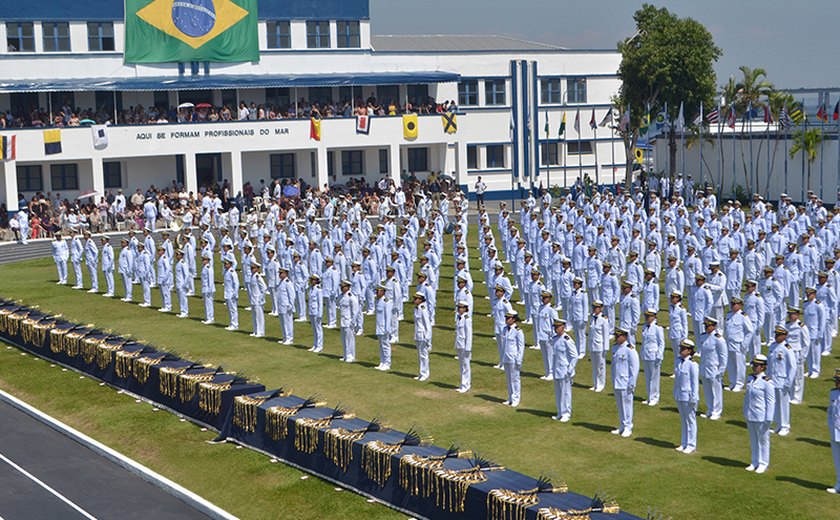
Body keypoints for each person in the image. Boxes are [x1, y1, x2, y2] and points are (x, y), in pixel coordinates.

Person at [743, 354, 775, 474]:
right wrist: (745, 411)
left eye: (757, 365)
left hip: (761, 415)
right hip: (751, 413)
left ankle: (763, 463)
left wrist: (769, 418)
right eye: (754, 365)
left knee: (763, 440)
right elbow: (747, 397)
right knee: (753, 439)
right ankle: (754, 461)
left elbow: (771, 401)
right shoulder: (750, 378)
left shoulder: (767, 382)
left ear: (763, 367)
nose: (754, 367)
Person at [767, 326, 796, 436]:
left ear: (784, 336)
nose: (776, 337)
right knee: (774, 403)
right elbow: (770, 364)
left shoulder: (787, 348)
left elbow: (792, 366)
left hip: (782, 380)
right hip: (772, 379)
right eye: (776, 335)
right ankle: (778, 424)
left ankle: (785, 426)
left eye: (779, 335)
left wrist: (788, 382)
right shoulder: (772, 346)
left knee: (783, 404)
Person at [611, 327, 640, 437]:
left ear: (624, 336)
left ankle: (628, 426)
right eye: (616, 336)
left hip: (626, 382)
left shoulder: (630, 349)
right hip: (617, 380)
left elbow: (634, 368)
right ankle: (622, 425)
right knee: (620, 405)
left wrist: (632, 383)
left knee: (627, 405)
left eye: (619, 336)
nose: (617, 338)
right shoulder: (615, 348)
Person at [674, 340, 700, 454]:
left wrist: (694, 398)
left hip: (688, 396)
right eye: (681, 348)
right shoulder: (678, 362)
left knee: (690, 420)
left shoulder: (692, 364)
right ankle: (684, 442)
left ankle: (691, 444)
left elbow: (694, 383)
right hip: (680, 394)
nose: (681, 351)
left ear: (689, 351)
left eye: (683, 349)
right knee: (683, 420)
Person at [698, 317, 726, 420]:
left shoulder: (718, 339)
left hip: (714, 368)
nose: (706, 328)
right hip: (705, 366)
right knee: (707, 390)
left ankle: (716, 411)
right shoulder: (703, 337)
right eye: (705, 326)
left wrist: (721, 370)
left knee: (716, 390)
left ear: (714, 326)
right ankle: (709, 409)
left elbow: (723, 356)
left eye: (708, 326)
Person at [725, 296, 755, 392]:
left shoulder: (743, 316)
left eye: (736, 304)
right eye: (732, 304)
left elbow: (750, 331)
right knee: (731, 364)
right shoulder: (729, 315)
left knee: (740, 364)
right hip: (730, 342)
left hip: (739, 344)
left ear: (740, 305)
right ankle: (732, 382)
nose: (733, 306)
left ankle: (739, 383)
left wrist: (745, 344)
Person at [550, 319, 577, 422]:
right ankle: (560, 412)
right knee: (558, 392)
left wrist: (570, 370)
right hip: (557, 369)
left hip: (564, 370)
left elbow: (574, 356)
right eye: (555, 327)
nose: (556, 329)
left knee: (565, 392)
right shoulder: (555, 339)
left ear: (563, 327)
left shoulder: (567, 339)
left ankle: (566, 413)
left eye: (557, 327)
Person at [640, 309, 665, 406]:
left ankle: (655, 397)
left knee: (654, 377)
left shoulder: (658, 328)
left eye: (649, 316)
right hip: (646, 354)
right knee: (648, 377)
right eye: (646, 316)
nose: (647, 318)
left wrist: (659, 356)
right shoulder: (644, 327)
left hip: (654, 355)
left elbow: (661, 343)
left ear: (654, 317)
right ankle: (649, 396)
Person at [501, 310, 525, 407]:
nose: (506, 319)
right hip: (506, 357)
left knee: (515, 379)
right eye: (506, 317)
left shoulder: (518, 331)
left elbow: (521, 346)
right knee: (508, 378)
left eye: (508, 318)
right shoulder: (504, 329)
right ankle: (510, 397)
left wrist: (519, 359)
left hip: (514, 358)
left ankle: (516, 398)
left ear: (514, 319)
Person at [588, 300, 610, 392]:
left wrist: (605, 348)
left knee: (601, 365)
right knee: (594, 366)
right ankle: (595, 383)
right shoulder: (592, 318)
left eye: (596, 308)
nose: (594, 309)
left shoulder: (604, 320)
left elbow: (606, 335)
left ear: (601, 308)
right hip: (593, 345)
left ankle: (601, 384)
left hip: (600, 346)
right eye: (593, 307)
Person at [536, 290, 559, 380]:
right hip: (541, 334)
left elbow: (556, 322)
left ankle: (551, 372)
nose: (543, 299)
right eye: (542, 297)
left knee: (550, 355)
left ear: (549, 298)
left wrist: (553, 335)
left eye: (545, 297)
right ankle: (547, 372)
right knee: (545, 355)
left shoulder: (551, 309)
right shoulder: (540, 307)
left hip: (548, 334)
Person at [338, 280, 359, 363]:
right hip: (343, 320)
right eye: (341, 287)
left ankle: (351, 355)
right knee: (344, 339)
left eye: (343, 287)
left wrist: (353, 322)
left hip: (348, 321)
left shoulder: (351, 297)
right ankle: (346, 354)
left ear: (348, 287)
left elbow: (355, 310)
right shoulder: (342, 296)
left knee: (350, 339)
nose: (341, 288)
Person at [454, 300, 472, 393]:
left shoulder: (467, 319)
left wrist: (468, 348)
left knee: (465, 365)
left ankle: (466, 385)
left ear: (465, 309)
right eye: (458, 307)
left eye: (461, 307)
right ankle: (462, 384)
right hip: (460, 344)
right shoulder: (459, 317)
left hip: (465, 345)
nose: (459, 309)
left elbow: (469, 334)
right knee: (461, 365)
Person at [413, 292, 432, 381]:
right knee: (420, 355)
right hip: (418, 335)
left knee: (424, 355)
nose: (414, 300)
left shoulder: (423, 309)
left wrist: (428, 339)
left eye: (416, 299)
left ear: (421, 300)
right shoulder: (416, 308)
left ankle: (425, 373)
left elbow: (427, 325)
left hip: (423, 336)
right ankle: (421, 373)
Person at [374, 284, 393, 371]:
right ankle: (382, 361)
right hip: (379, 327)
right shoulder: (378, 301)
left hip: (384, 328)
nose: (377, 293)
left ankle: (387, 363)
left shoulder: (386, 301)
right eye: (376, 291)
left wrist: (387, 328)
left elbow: (388, 316)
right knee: (381, 346)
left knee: (385, 346)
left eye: (378, 291)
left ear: (383, 292)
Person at [828, 369, 840, 494]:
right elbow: (830, 412)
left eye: (838, 380)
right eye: (836, 380)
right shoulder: (833, 393)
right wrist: (830, 426)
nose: (836, 382)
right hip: (835, 431)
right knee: (837, 460)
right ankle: (839, 483)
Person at [276, 266, 296, 344]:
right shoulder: (281, 282)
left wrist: (291, 305)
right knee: (283, 322)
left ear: (286, 273)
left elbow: (292, 295)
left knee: (288, 322)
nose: (279, 275)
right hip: (281, 305)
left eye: (281, 273)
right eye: (279, 273)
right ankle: (285, 337)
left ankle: (289, 338)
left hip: (286, 305)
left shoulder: (288, 282)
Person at [248, 260, 267, 338]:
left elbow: (264, 288)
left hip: (257, 298)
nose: (251, 269)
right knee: (254, 315)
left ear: (257, 269)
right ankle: (255, 331)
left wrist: (261, 298)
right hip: (253, 298)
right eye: (251, 268)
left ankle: (260, 331)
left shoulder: (257, 276)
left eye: (253, 268)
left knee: (259, 316)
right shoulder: (252, 276)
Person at [307, 274, 324, 353]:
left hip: (316, 311)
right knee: (314, 329)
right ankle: (315, 344)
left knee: (318, 329)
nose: (311, 281)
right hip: (311, 311)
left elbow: (320, 303)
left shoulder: (318, 290)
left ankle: (319, 346)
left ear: (316, 281)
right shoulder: (311, 289)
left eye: (313, 279)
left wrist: (320, 314)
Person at [223, 254, 240, 331]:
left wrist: (235, 293)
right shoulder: (226, 272)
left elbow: (236, 283)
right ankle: (232, 323)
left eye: (227, 264)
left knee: (233, 310)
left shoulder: (232, 272)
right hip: (227, 293)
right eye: (225, 264)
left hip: (232, 294)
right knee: (230, 310)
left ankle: (235, 324)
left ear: (230, 264)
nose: (225, 265)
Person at [156, 246, 173, 312]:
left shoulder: (164, 258)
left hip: (164, 279)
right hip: (160, 279)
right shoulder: (160, 258)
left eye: (160, 250)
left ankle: (168, 306)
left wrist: (165, 278)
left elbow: (168, 269)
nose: (158, 252)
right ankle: (164, 305)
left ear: (163, 251)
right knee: (162, 293)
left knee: (166, 293)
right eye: (158, 250)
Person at [135, 243, 152, 307]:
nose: (138, 248)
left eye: (139, 247)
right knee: (144, 288)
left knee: (146, 288)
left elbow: (147, 265)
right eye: (138, 247)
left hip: (144, 273)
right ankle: (145, 300)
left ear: (142, 247)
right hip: (141, 273)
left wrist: (146, 273)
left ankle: (147, 301)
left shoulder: (145, 254)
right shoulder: (140, 254)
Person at [175, 249, 190, 318]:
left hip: (182, 284)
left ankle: (185, 312)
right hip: (178, 283)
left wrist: (184, 284)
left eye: (177, 254)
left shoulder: (183, 263)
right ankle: (182, 311)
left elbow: (187, 275)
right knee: (180, 298)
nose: (176, 256)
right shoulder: (178, 263)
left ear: (181, 255)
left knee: (183, 298)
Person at [201, 252, 214, 325]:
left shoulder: (209, 268)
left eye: (204, 260)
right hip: (205, 288)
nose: (203, 261)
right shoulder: (204, 267)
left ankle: (210, 318)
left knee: (209, 304)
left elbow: (210, 280)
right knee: (206, 304)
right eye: (203, 259)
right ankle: (207, 317)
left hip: (208, 289)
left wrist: (210, 290)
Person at [118, 238, 134, 302]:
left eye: (123, 243)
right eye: (121, 243)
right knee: (124, 283)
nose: (122, 244)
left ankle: (129, 296)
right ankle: (126, 295)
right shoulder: (123, 250)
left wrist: (129, 270)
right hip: (122, 269)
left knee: (128, 283)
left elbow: (130, 261)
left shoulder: (128, 250)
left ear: (127, 243)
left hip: (126, 269)